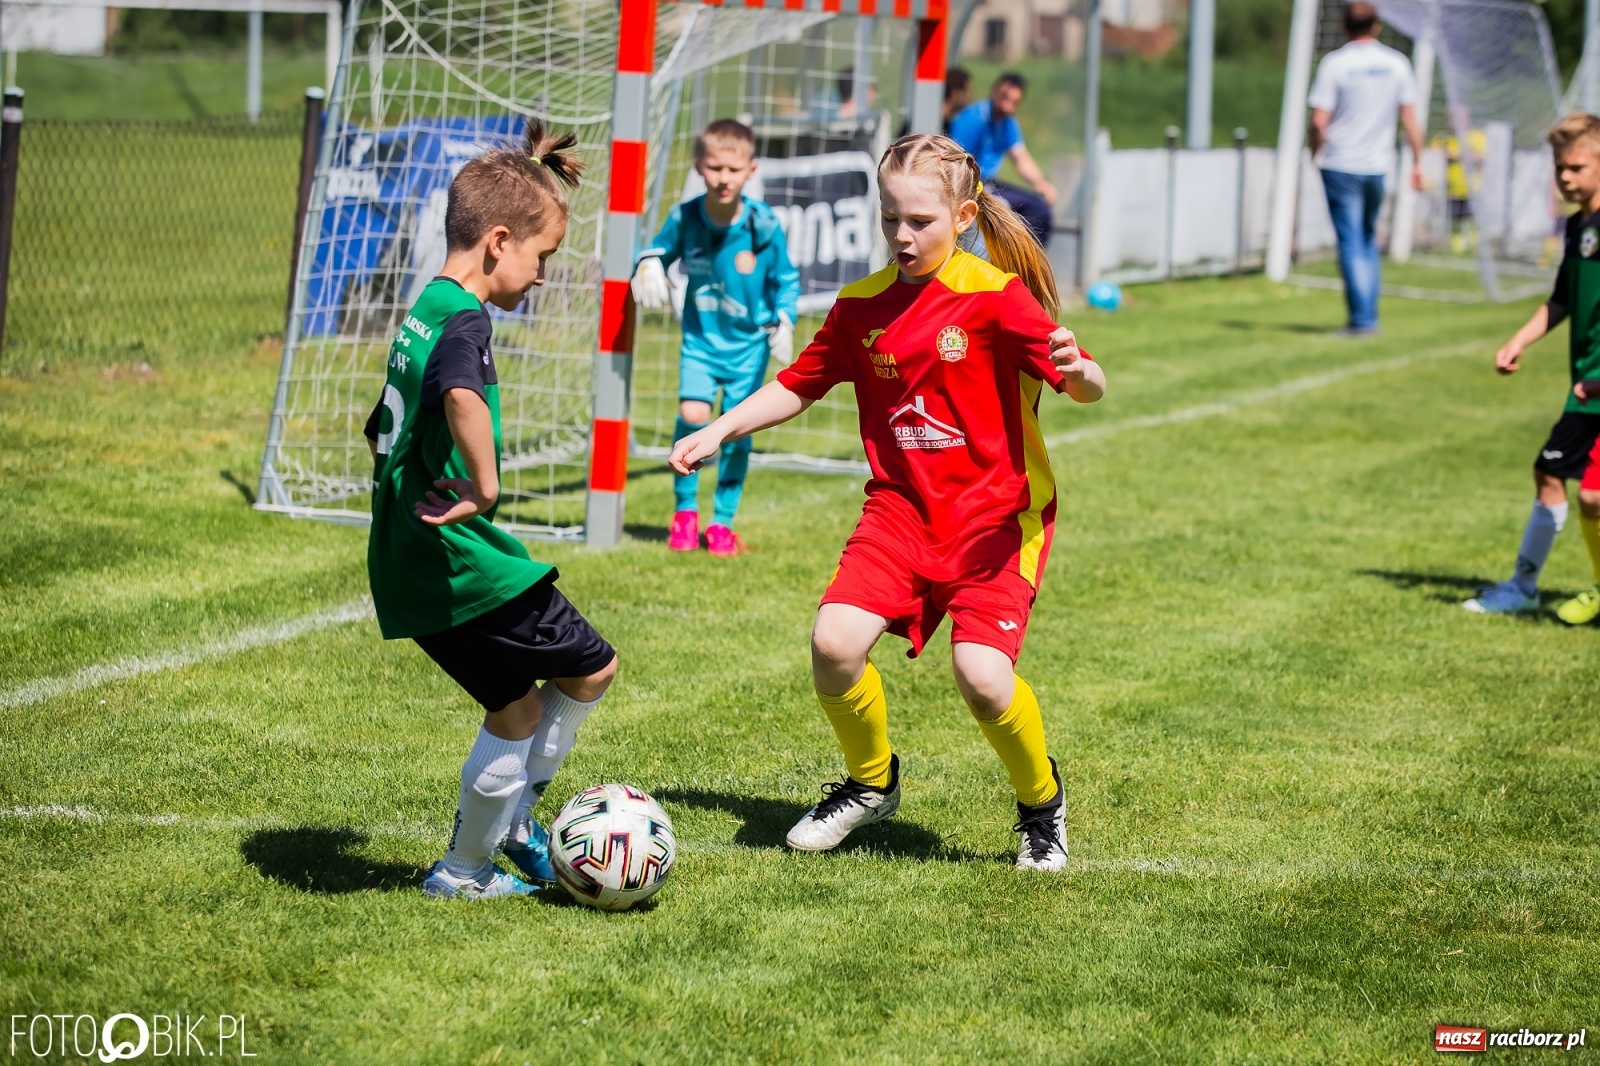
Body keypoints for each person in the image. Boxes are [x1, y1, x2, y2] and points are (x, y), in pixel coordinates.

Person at [669, 134, 1105, 872]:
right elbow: (798, 384)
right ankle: (871, 784)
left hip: (996, 522)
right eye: (890, 218)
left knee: (983, 679)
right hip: (900, 511)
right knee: (834, 644)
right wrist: (718, 428)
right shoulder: (860, 306)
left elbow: (1087, 386)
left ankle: (1041, 805)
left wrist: (1081, 368)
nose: (902, 235)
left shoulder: (997, 298)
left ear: (963, 217)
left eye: (920, 221)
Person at [362, 123, 619, 900]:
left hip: (409, 550)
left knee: (516, 708)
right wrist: (485, 486)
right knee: (592, 667)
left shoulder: (428, 306)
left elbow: (378, 427)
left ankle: (465, 869)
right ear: (498, 242)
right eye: (542, 256)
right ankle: (509, 828)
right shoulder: (467, 319)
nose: (542, 275)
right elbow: (461, 395)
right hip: (457, 556)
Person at [631, 118, 801, 556]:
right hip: (701, 342)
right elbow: (655, 250)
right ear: (698, 167)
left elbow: (786, 279)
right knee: (692, 413)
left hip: (749, 347)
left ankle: (723, 520)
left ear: (751, 170)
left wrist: (785, 319)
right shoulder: (685, 217)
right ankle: (684, 512)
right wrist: (648, 262)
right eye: (715, 168)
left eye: (733, 169)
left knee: (736, 430)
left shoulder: (763, 225)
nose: (724, 178)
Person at [1466, 113, 1600, 623]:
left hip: (1597, 384)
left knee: (1590, 494)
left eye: (1576, 167)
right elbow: (1562, 298)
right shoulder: (1579, 226)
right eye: (1559, 167)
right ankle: (1523, 587)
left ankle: (1527, 587)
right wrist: (1517, 341)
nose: (1564, 177)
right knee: (1555, 474)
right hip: (1587, 385)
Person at [1307, 1, 1424, 336]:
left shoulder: (1335, 64)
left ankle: (1362, 320)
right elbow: (1410, 120)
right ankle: (1368, 313)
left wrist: (1315, 152)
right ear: (1377, 26)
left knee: (1350, 241)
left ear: (1345, 27)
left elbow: (1318, 122)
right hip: (1377, 167)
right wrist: (1418, 163)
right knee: (1368, 239)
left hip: (1340, 164)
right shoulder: (1397, 63)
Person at [948, 72, 1057, 247]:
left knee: (1039, 208)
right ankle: (1015, 256)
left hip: (989, 182)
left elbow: (1020, 158)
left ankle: (1024, 257)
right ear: (994, 91)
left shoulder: (1007, 123)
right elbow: (954, 157)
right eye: (1004, 98)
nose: (1007, 106)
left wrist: (1040, 181)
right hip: (971, 183)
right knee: (1031, 209)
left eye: (1014, 102)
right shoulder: (973, 118)